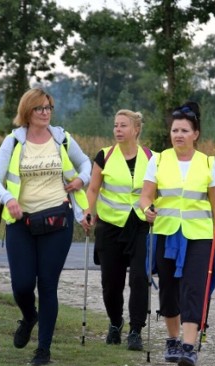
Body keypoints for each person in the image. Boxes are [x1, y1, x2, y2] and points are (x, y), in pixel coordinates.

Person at [0, 88, 91, 366]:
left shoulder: (62, 138)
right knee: (22, 284)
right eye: (39, 108)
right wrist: (8, 198)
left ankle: (43, 349)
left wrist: (82, 179)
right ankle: (29, 316)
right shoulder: (13, 141)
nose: (45, 113)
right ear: (27, 112)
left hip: (57, 220)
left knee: (47, 284)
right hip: (21, 222)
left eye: (49, 108)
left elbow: (85, 164)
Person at [139, 102, 215, 366]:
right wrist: (147, 209)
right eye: (174, 130)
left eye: (184, 130)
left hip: (199, 235)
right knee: (168, 287)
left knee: (195, 288)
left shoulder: (207, 163)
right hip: (166, 231)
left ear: (195, 134)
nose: (178, 135)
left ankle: (189, 348)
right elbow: (146, 195)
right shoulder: (158, 160)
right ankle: (172, 339)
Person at [82, 110, 152, 351]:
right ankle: (115, 322)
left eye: (123, 125)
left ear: (136, 129)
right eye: (115, 126)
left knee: (140, 278)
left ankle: (136, 330)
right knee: (111, 282)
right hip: (110, 226)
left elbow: (157, 190)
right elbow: (93, 189)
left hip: (141, 225)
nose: (118, 130)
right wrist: (89, 211)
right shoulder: (104, 155)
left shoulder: (152, 157)